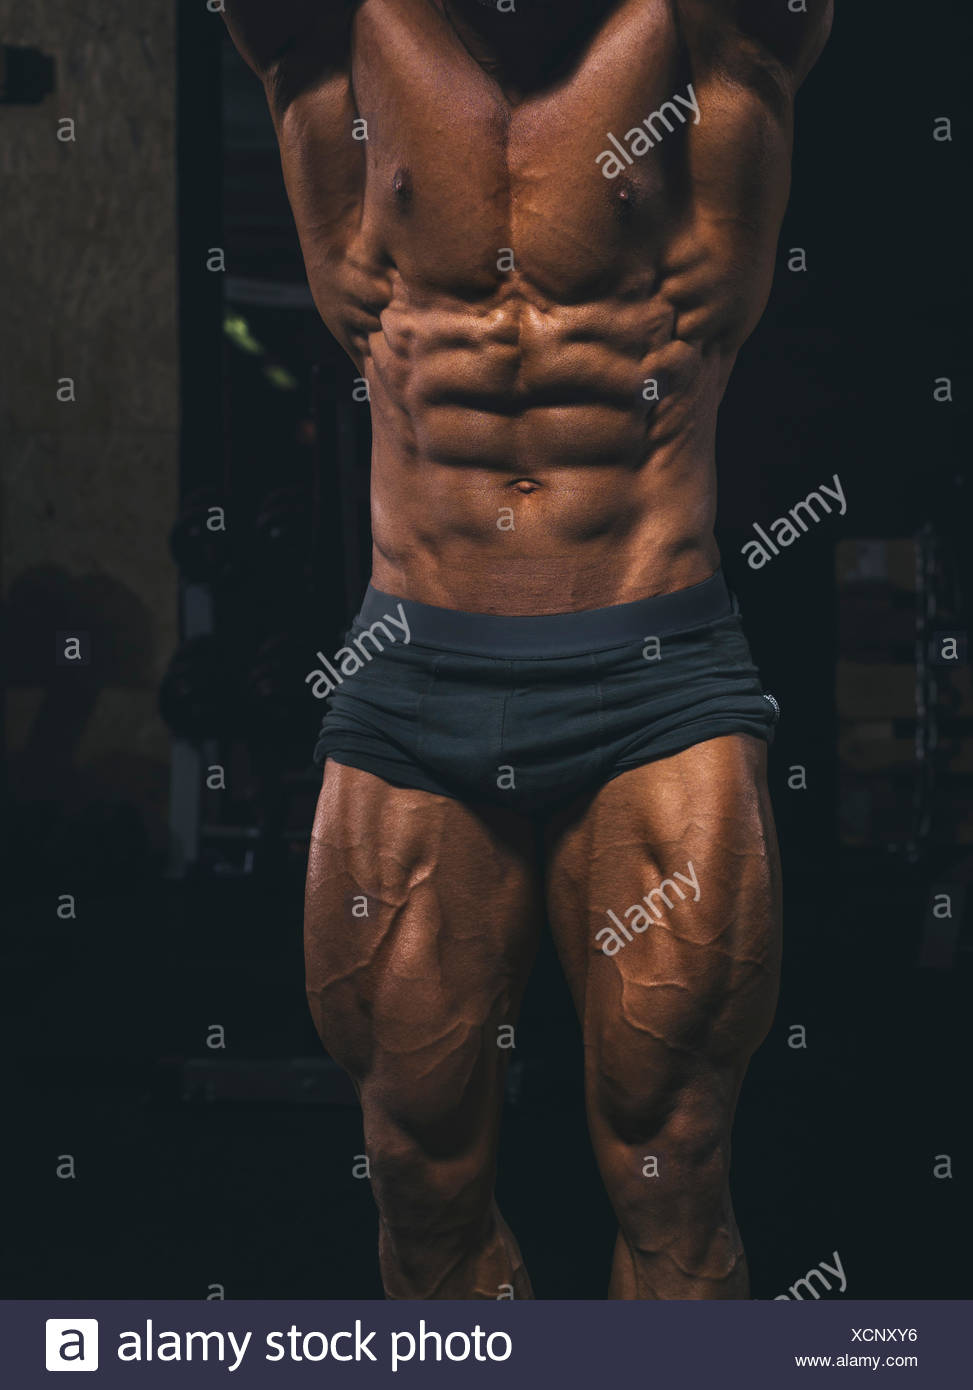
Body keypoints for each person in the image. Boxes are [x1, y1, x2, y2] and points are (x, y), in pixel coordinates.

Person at [223, 0, 832, 1299]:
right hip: (412, 686)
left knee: (673, 1165)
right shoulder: (330, 42)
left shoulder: (711, 44)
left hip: (655, 675)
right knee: (419, 1178)